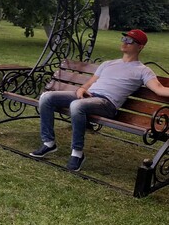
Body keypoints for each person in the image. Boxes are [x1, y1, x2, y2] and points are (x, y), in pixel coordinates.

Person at [29, 29, 169, 171]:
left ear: (140, 47)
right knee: (47, 97)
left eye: (130, 41)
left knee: (77, 105)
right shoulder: (108, 64)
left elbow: (159, 89)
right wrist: (82, 89)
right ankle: (48, 143)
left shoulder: (143, 71)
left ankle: (77, 153)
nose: (124, 42)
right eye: (124, 39)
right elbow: (90, 83)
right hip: (88, 96)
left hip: (107, 103)